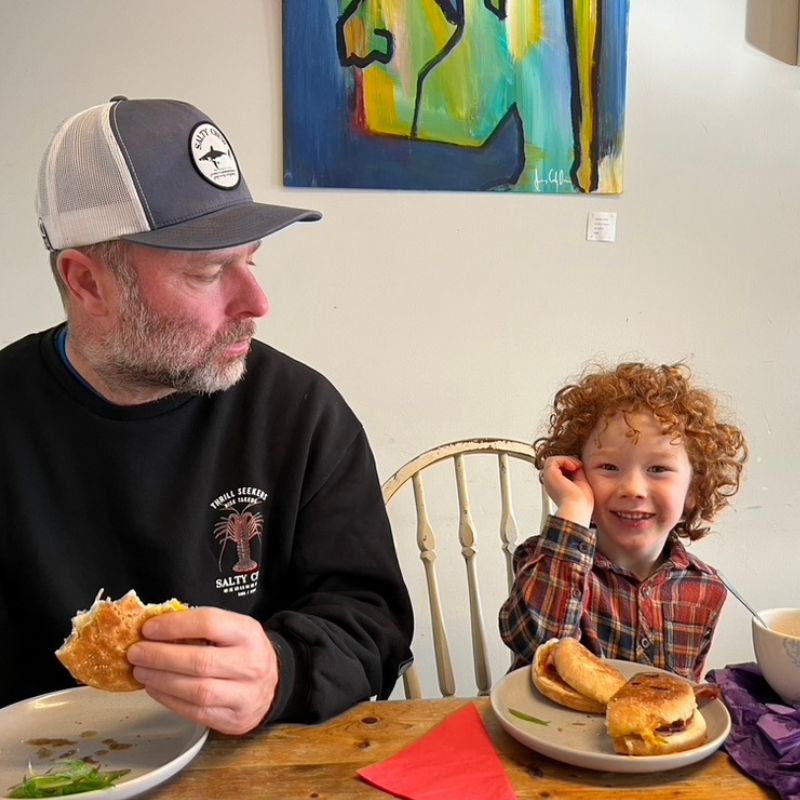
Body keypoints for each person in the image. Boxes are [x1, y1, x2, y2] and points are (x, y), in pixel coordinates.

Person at [0, 96, 413, 732]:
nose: (257, 302)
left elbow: (371, 621)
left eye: (249, 260)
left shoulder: (299, 415)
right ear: (86, 282)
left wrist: (281, 671)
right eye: (209, 271)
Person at [499, 361, 747, 682]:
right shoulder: (543, 560)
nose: (632, 489)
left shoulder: (706, 588)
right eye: (609, 467)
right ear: (579, 472)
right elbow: (535, 643)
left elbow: (681, 692)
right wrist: (574, 506)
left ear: (694, 489)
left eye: (657, 469)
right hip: (544, 729)